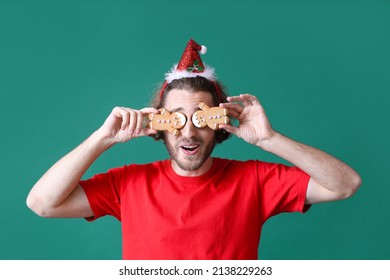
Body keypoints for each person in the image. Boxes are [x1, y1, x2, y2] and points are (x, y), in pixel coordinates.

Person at [26, 39, 361, 260]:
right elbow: (42, 204)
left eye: (200, 118)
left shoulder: (255, 180)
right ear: (160, 123)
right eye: (176, 119)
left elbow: (345, 184)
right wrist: (102, 139)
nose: (188, 131)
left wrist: (269, 139)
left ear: (219, 121)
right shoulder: (128, 184)